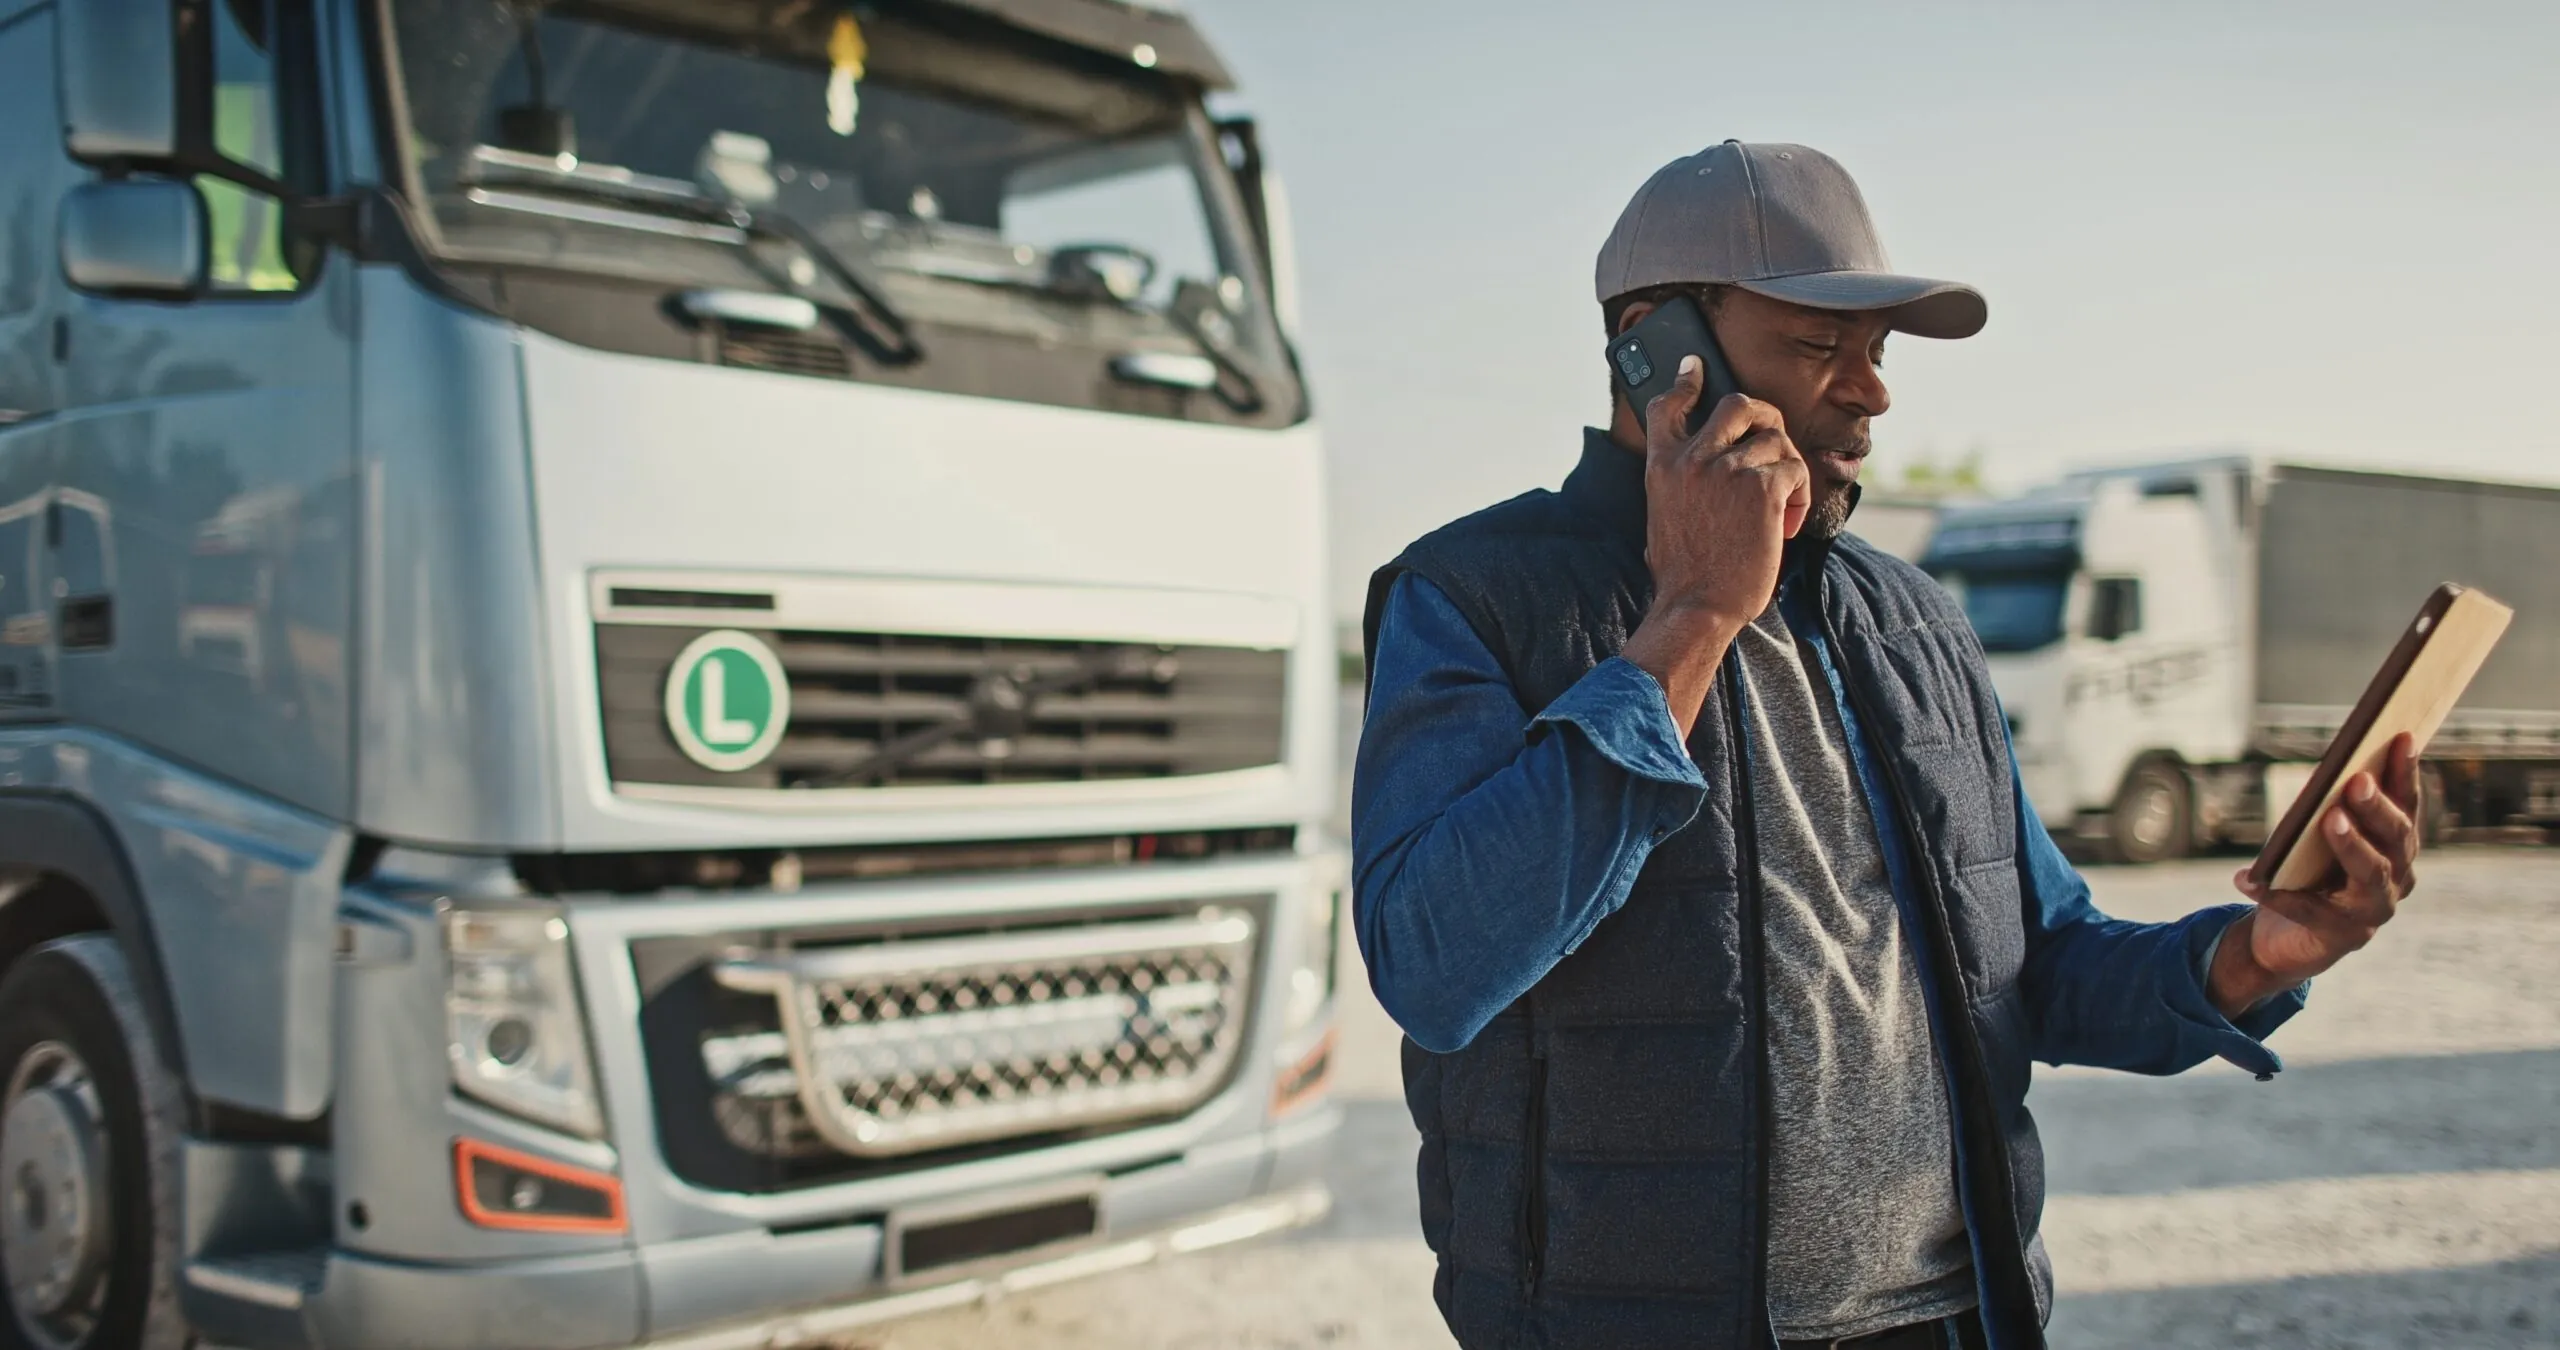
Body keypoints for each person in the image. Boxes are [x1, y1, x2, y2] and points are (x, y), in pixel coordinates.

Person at [1350, 140, 2421, 1350]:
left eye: (1877, 353)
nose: (1871, 392)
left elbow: (2036, 961)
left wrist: (2254, 954)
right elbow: (1433, 967)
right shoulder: (1474, 596)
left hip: (1953, 1325)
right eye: (1818, 346)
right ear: (1653, 346)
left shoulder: (1916, 622)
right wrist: (1693, 616)